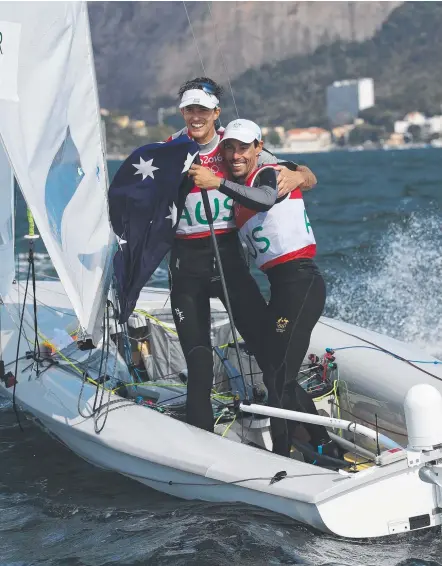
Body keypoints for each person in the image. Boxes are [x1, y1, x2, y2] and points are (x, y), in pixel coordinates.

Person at [169, 77, 317, 434]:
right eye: (190, 109)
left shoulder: (234, 147)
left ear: (216, 112)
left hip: (229, 263)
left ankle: (313, 436)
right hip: (185, 266)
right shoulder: (169, 152)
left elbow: (300, 175)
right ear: (183, 112)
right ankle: (201, 452)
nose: (196, 116)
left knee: (270, 359)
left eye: (203, 109)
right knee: (200, 364)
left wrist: (300, 177)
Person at [189, 118, 339, 459]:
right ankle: (321, 443)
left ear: (259, 147)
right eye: (230, 147)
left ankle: (289, 454)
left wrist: (301, 173)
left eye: (244, 147)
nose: (236, 154)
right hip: (281, 287)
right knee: (275, 374)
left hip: (301, 282)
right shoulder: (238, 189)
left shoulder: (270, 173)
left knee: (279, 379)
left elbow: (267, 198)